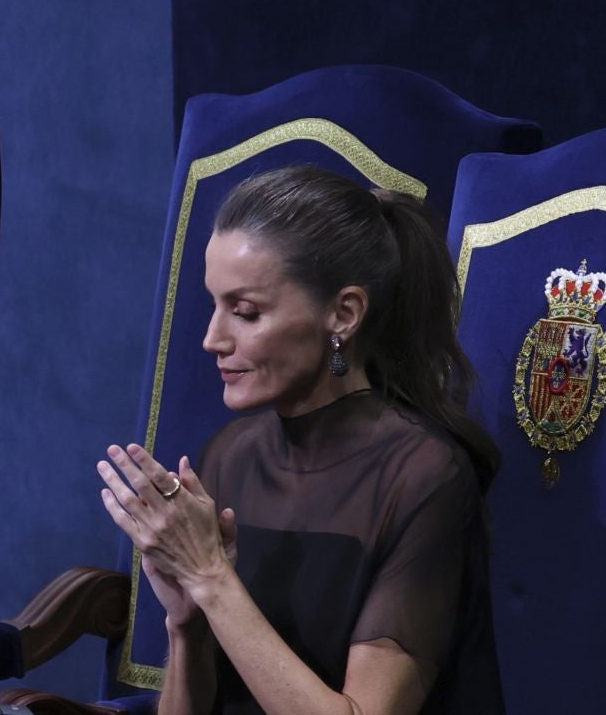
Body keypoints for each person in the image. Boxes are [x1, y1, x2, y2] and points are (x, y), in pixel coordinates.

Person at [97, 165, 503, 714]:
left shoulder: (425, 476)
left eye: (245, 312)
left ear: (344, 314)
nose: (212, 338)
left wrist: (212, 579)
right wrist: (187, 624)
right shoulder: (231, 455)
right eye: (214, 305)